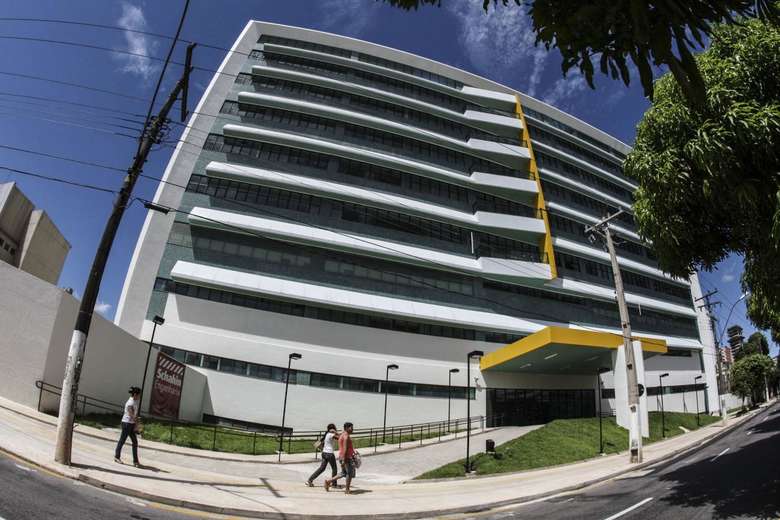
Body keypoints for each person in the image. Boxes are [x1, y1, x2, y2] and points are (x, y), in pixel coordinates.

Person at [325, 422, 356, 494]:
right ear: (347, 428)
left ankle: (328, 481)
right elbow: (345, 448)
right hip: (346, 457)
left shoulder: (342, 435)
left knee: (343, 473)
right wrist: (344, 459)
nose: (352, 429)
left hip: (342, 456)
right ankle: (347, 489)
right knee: (349, 473)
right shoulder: (346, 436)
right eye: (351, 428)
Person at [114, 386, 141, 467]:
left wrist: (136, 423)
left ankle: (135, 461)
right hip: (126, 424)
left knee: (135, 442)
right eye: (139, 395)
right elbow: (131, 415)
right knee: (122, 440)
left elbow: (134, 415)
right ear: (135, 394)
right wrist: (137, 425)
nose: (139, 396)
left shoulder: (134, 401)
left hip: (131, 423)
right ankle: (117, 457)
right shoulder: (130, 403)